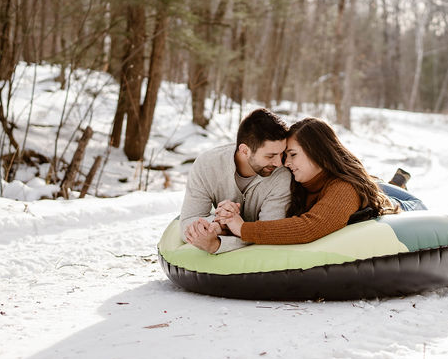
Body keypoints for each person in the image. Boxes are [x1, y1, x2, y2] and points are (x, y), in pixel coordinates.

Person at [219, 117, 425, 245]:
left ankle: (398, 183)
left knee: (387, 189)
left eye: (292, 154)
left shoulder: (344, 188)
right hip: (368, 183)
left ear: (317, 153)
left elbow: (311, 227)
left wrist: (243, 229)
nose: (285, 163)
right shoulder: (296, 181)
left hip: (401, 203)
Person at [180, 108, 292, 254]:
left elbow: (268, 234)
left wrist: (220, 242)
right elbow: (188, 221)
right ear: (244, 150)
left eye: (282, 153)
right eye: (270, 156)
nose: (279, 162)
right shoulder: (207, 164)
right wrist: (218, 226)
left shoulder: (282, 176)